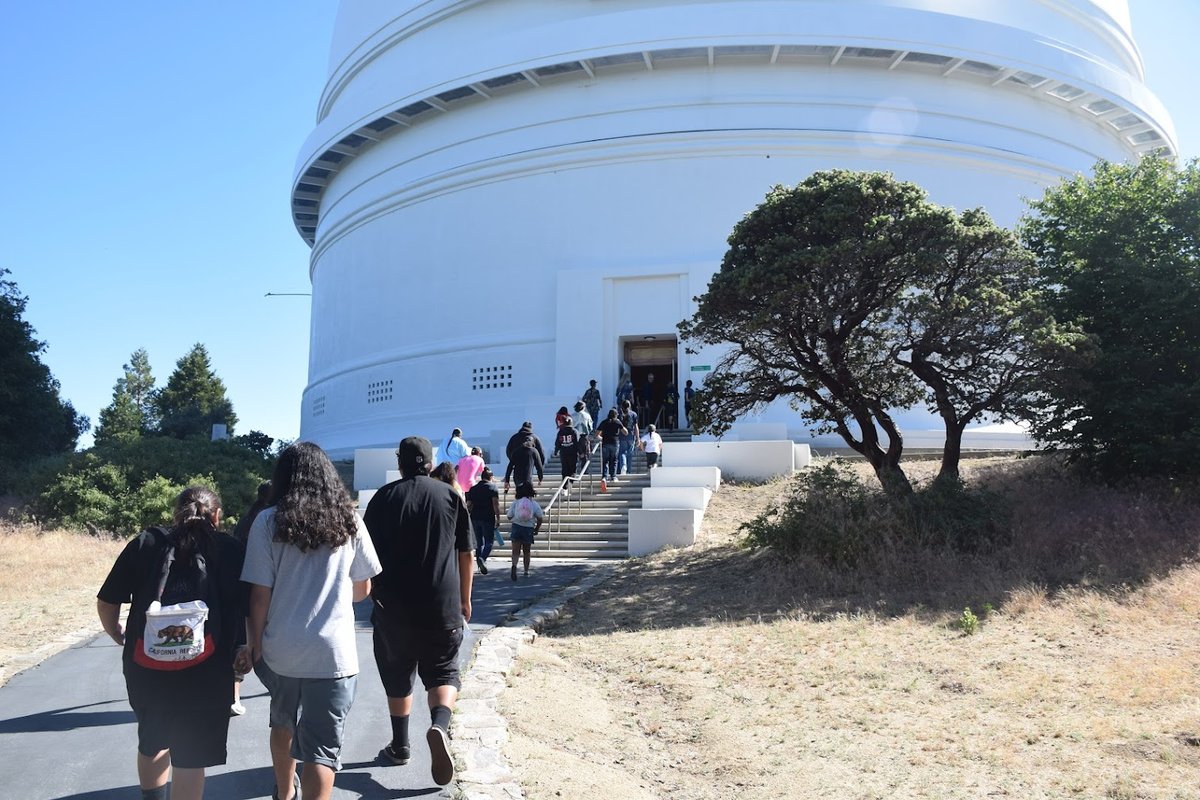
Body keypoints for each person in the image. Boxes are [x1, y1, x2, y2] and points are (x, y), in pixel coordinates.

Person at [239, 442, 382, 800]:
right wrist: (331, 590)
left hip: (281, 649)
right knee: (321, 751)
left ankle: (284, 793)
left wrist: (252, 642)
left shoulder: (267, 520)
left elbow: (259, 595)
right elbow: (363, 589)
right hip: (334, 653)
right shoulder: (350, 520)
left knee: (282, 722)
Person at [97, 486, 246, 800]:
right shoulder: (230, 549)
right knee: (191, 756)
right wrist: (249, 648)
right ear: (217, 516)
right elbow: (251, 604)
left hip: (146, 665)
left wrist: (116, 633)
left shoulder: (146, 542)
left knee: (152, 740)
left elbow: (108, 600)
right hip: (210, 667)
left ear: (175, 513)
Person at [363, 436, 474, 788]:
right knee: (443, 673)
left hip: (392, 606)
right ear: (429, 462)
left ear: (400, 462)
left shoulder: (382, 499)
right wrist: (465, 599)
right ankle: (438, 725)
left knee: (397, 674)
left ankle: (400, 745)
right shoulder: (450, 497)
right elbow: (466, 554)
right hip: (441, 605)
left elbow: (364, 557)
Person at [229, 479, 272, 716]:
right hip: (258, 587)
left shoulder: (247, 518)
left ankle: (233, 696)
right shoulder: (268, 519)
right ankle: (235, 695)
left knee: (243, 639)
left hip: (241, 585)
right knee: (249, 641)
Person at [465, 467, 501, 575]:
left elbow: (469, 505)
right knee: (489, 542)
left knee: (478, 542)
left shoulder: (473, 488)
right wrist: (498, 518)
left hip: (475, 518)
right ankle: (483, 558)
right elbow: (495, 504)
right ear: (490, 477)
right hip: (487, 518)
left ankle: (480, 566)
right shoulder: (493, 488)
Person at [506, 482, 544, 581]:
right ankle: (526, 571)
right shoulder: (534, 504)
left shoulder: (516, 502)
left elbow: (509, 516)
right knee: (527, 551)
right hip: (528, 528)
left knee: (515, 551)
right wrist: (537, 528)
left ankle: (514, 566)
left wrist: (516, 519)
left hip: (516, 526)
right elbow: (540, 518)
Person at [596, 408, 626, 482]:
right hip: (614, 443)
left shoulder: (604, 422)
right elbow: (626, 432)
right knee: (614, 460)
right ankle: (613, 476)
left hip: (605, 443)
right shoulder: (617, 422)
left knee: (605, 461)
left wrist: (601, 438)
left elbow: (596, 433)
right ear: (616, 415)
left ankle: (604, 477)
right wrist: (620, 424)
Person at [553, 416, 581, 488]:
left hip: (563, 454)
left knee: (565, 470)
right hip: (573, 454)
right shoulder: (574, 431)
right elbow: (577, 443)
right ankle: (569, 484)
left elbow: (557, 443)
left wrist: (556, 451)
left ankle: (564, 486)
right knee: (572, 470)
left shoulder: (560, 432)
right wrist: (581, 452)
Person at [617, 399, 640, 476]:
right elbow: (636, 427)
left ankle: (623, 465)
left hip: (622, 435)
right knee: (630, 454)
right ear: (629, 406)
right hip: (631, 435)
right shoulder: (633, 414)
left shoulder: (619, 414)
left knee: (622, 452)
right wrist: (638, 438)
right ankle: (629, 471)